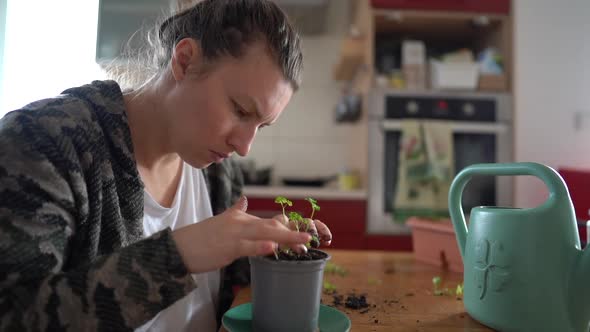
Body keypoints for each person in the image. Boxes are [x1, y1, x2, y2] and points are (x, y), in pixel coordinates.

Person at [0, 0, 333, 331]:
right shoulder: (43, 142)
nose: (244, 147)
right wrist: (175, 257)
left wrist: (268, 244)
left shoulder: (217, 171)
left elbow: (232, 289)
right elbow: (14, 316)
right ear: (185, 61)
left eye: (261, 126)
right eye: (241, 111)